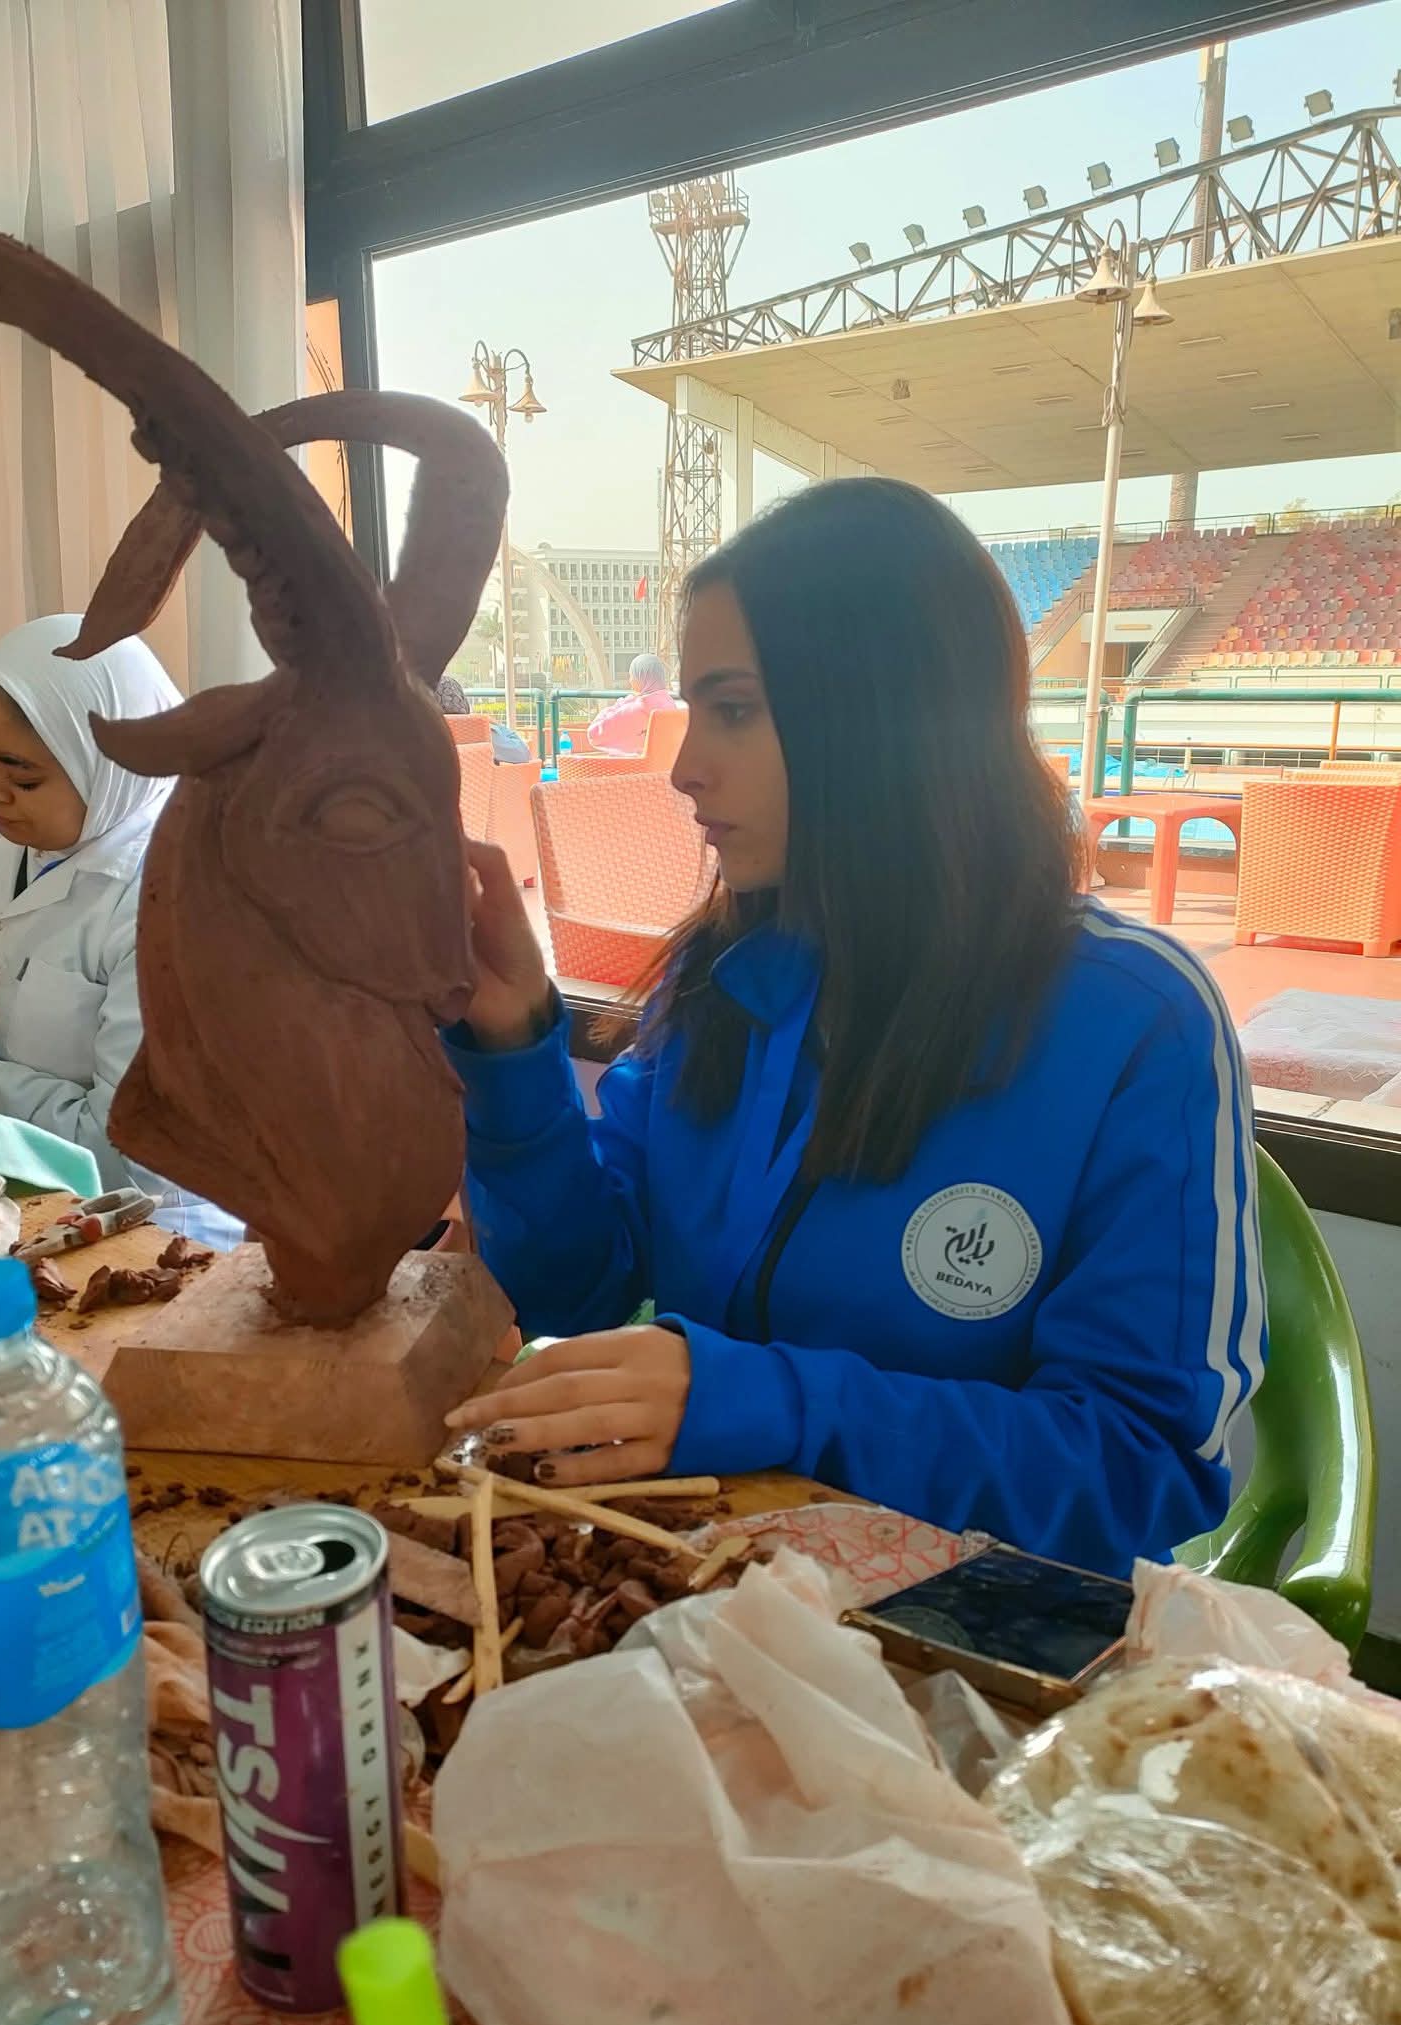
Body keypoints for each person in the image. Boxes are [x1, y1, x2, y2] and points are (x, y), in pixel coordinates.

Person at [440, 479, 1264, 1580]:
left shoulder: (1136, 1023)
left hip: (979, 1630)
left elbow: (1139, 1465)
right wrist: (512, 1050)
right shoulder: (720, 975)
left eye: (734, 710)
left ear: (882, 721)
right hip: (714, 1585)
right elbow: (572, 1290)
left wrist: (778, 1402)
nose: (684, 767)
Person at [0, 614, 235, 1244]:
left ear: (111, 766)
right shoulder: (3, 834)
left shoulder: (184, 908)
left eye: (22, 774)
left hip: (143, 1225)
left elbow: (125, 1154)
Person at [586, 651, 675, 756]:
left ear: (640, 678)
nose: (630, 681)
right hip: (666, 765)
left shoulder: (635, 709)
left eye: (631, 676)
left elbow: (594, 734)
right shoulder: (670, 705)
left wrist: (619, 705)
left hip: (633, 766)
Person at [432, 671, 530, 765]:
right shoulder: (477, 728)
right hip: (477, 776)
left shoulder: (427, 733)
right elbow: (521, 754)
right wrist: (497, 725)